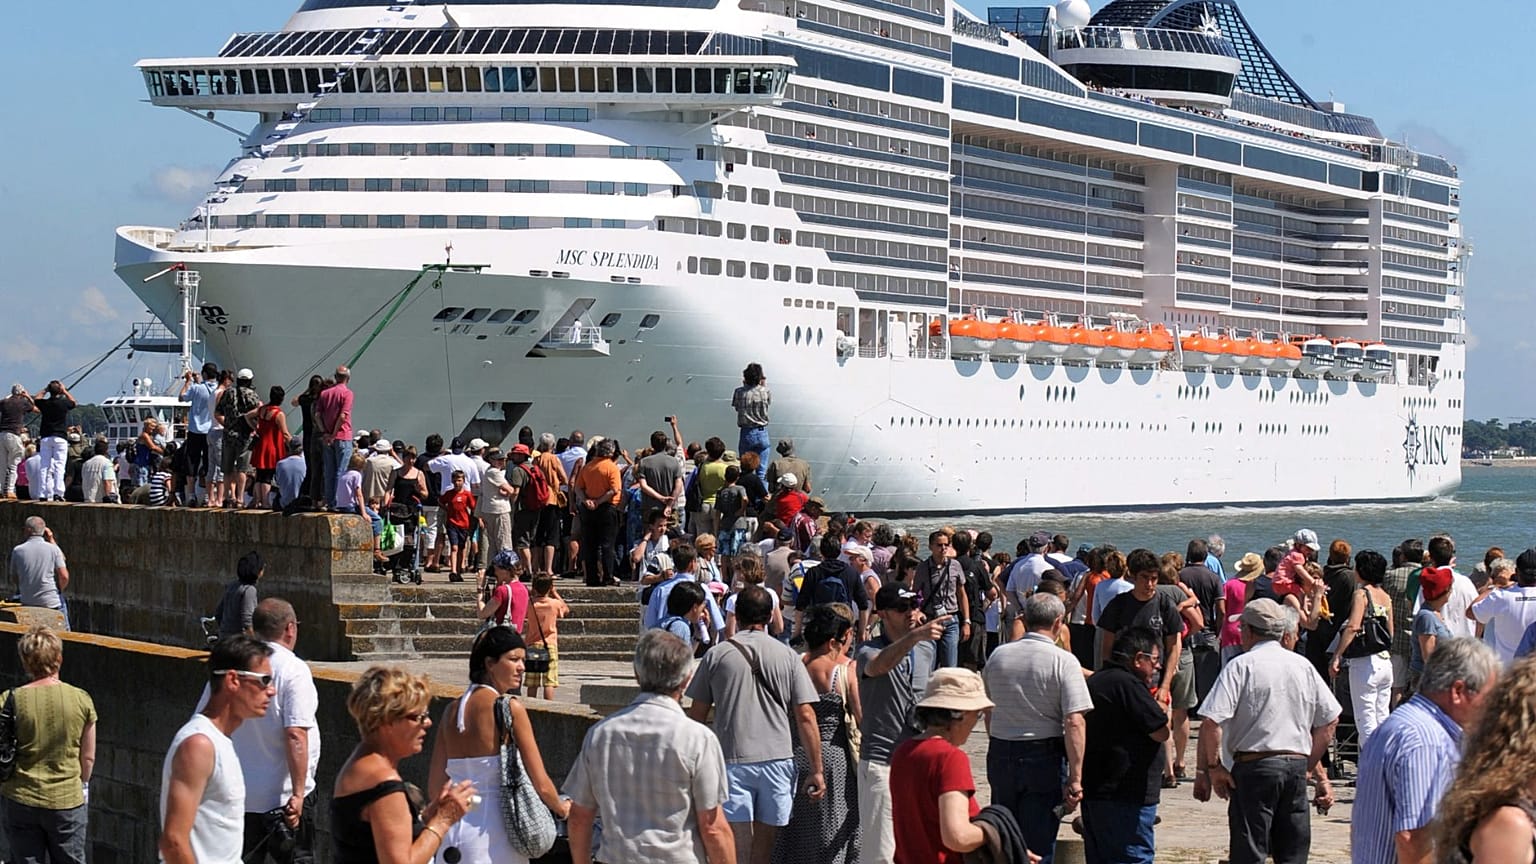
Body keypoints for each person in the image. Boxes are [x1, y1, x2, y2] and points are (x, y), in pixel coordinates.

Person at [566, 629, 735, 864]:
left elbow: (579, 817)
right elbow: (712, 826)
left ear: (637, 674)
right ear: (686, 679)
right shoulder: (698, 738)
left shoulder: (601, 734)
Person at [1195, 599, 1341, 864]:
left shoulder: (1241, 665)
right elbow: (1330, 720)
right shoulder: (1302, 666)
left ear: (1250, 631)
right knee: (1292, 853)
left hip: (1254, 767)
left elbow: (1211, 721)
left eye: (1242, 629)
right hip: (1294, 764)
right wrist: (1308, 765)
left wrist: (1214, 767)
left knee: (1249, 850)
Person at [687, 586, 825, 864]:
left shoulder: (718, 655)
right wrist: (817, 769)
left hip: (732, 759)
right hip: (777, 758)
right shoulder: (787, 655)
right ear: (770, 615)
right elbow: (806, 715)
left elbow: (697, 715)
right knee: (764, 849)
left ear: (737, 614)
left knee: (736, 846)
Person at [426, 626, 570, 863]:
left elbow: (435, 787)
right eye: (513, 659)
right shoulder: (509, 707)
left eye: (522, 660)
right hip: (496, 834)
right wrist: (563, 809)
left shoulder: (451, 711)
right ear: (490, 663)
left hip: (453, 832)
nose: (522, 667)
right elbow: (541, 783)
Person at [194, 600, 320, 864]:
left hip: (238, 797)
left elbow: (206, 720)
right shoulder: (294, 670)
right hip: (284, 800)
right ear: (290, 628)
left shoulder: (235, 666)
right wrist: (298, 794)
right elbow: (296, 733)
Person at [1352, 638, 1498, 864]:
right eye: (1488, 698)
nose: (1491, 709)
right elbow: (1413, 840)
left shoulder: (1398, 725)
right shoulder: (1426, 740)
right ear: (1458, 691)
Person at [983, 593, 1090, 864]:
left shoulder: (998, 656)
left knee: (1005, 836)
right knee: (1040, 839)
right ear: (1058, 623)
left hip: (1001, 748)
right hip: (1043, 753)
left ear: (1025, 619)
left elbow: (987, 709)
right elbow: (1074, 720)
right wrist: (1076, 777)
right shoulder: (1064, 661)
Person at [331, 666, 474, 863]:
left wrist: (427, 817)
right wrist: (443, 820)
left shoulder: (361, 763)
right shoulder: (383, 782)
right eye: (418, 717)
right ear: (388, 720)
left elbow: (373, 840)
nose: (428, 723)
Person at [160, 635, 276, 864]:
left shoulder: (221, 741)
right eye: (264, 680)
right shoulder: (199, 745)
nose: (271, 690)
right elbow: (173, 841)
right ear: (233, 680)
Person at [855, 586, 946, 864]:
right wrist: (915, 636)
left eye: (913, 605)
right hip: (882, 762)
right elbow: (879, 667)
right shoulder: (868, 651)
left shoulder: (927, 649)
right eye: (901, 608)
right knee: (881, 852)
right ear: (882, 614)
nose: (910, 613)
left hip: (918, 762)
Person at [771, 605, 861, 864]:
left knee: (796, 827)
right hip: (835, 757)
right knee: (834, 821)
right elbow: (860, 714)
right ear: (834, 640)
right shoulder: (845, 669)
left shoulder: (795, 664)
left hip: (795, 750)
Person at [0, 625, 96, 864]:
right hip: (67, 799)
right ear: (59, 659)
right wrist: (82, 784)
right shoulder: (81, 699)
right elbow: (88, 757)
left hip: (21, 797)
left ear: (25, 661)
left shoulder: (8, 700)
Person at [1080, 626, 1170, 864]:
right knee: (1132, 857)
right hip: (1125, 794)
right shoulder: (1127, 684)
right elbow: (1160, 730)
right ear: (1139, 659)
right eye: (1155, 660)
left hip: (1096, 789)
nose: (1158, 667)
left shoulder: (1098, 679)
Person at [889, 668, 992, 863]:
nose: (974, 722)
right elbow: (957, 837)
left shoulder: (903, 752)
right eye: (976, 715)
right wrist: (998, 832)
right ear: (959, 715)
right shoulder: (950, 758)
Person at [1098, 549, 1182, 707]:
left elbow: (1173, 648)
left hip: (1154, 683)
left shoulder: (1165, 605)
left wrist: (1165, 686)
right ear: (1132, 576)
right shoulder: (1118, 605)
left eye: (1154, 579)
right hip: (1122, 683)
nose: (1149, 584)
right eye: (1144, 577)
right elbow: (1107, 647)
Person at [1329, 549, 1394, 745]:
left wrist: (1337, 655)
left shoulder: (1361, 594)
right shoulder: (1385, 596)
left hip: (1365, 663)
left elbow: (1353, 626)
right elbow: (1391, 632)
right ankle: (1384, 765)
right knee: (1382, 716)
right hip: (1385, 661)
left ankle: (1369, 769)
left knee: (1365, 720)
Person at [1471, 547, 1536, 666]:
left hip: (1507, 671)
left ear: (1517, 572)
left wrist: (1496, 586)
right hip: (1532, 670)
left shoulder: (1501, 596)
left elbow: (1471, 612)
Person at [914, 532, 970, 669]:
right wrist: (917, 612)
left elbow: (962, 594)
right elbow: (915, 594)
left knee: (950, 665)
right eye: (939, 545)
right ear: (930, 547)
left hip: (951, 618)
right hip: (930, 619)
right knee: (929, 664)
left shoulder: (955, 565)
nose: (943, 548)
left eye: (946, 545)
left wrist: (966, 621)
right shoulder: (922, 568)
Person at [11, 516, 70, 627]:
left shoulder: (17, 551)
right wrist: (51, 539)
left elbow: (14, 577)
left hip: (28, 600)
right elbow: (64, 576)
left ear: (27, 530)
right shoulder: (53, 549)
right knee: (64, 634)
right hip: (51, 601)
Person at [314, 365, 355, 509]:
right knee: (342, 471)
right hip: (342, 435)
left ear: (336, 377)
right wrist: (334, 433)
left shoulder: (325, 393)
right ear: (347, 378)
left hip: (326, 438)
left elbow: (317, 415)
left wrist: (325, 432)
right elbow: (343, 416)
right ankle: (339, 502)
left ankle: (330, 501)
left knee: (329, 471)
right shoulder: (347, 394)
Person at [524, 573, 568, 700]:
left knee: (532, 682)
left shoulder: (530, 604)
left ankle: (531, 706)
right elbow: (566, 609)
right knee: (549, 682)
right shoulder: (554, 604)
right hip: (549, 644)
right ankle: (549, 706)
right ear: (550, 587)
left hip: (533, 644)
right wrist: (555, 593)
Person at [1411, 565, 1456, 687]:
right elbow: (1428, 657)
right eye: (1450, 589)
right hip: (1428, 680)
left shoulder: (1435, 613)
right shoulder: (1427, 617)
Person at [249, 386, 291, 509]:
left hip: (261, 444)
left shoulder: (262, 410)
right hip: (273, 447)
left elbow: (247, 416)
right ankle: (266, 502)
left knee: (260, 475)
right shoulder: (278, 414)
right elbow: (285, 433)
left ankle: (257, 500)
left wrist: (255, 428)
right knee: (268, 476)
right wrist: (292, 444)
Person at [33, 381, 74, 502]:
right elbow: (73, 402)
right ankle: (58, 492)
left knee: (44, 466)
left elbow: (36, 398)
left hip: (46, 436)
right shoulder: (63, 404)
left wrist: (45, 389)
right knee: (59, 466)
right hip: (60, 437)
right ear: (59, 391)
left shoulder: (44, 403)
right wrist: (65, 391)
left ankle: (42, 492)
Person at [733, 363, 772, 483]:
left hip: (747, 432)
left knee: (746, 469)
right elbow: (768, 403)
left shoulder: (739, 392)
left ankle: (747, 497)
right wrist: (762, 385)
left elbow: (737, 407)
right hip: (762, 432)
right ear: (760, 378)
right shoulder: (766, 391)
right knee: (762, 471)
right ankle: (761, 499)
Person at [477, 549, 530, 631]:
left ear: (506, 570)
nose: (495, 573)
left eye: (496, 569)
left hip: (501, 639)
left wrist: (480, 588)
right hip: (515, 637)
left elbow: (482, 614)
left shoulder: (502, 591)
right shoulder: (524, 589)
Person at [216, 551, 265, 638]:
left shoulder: (232, 586)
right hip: (238, 642)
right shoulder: (249, 590)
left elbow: (219, 613)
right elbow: (247, 622)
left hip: (224, 638)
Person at [0, 385, 36, 499]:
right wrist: (28, 396)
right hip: (14, 434)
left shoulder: (4, 402)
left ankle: (1, 489)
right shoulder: (22, 403)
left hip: (2, 434)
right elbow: (35, 408)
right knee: (14, 463)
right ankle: (10, 490)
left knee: (2, 464)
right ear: (21, 393)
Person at [440, 470, 476, 581]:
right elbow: (441, 501)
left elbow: (473, 507)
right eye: (455, 480)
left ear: (463, 481)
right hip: (452, 523)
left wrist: (478, 519)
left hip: (464, 524)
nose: (457, 483)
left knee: (462, 547)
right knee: (454, 547)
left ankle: (460, 568)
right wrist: (446, 509)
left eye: (459, 480)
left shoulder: (467, 494)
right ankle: (453, 571)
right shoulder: (449, 493)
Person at [79, 438, 116, 503]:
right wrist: (109, 499)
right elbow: (107, 482)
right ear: (106, 450)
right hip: (100, 500)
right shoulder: (107, 463)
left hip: (87, 499)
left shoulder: (86, 464)